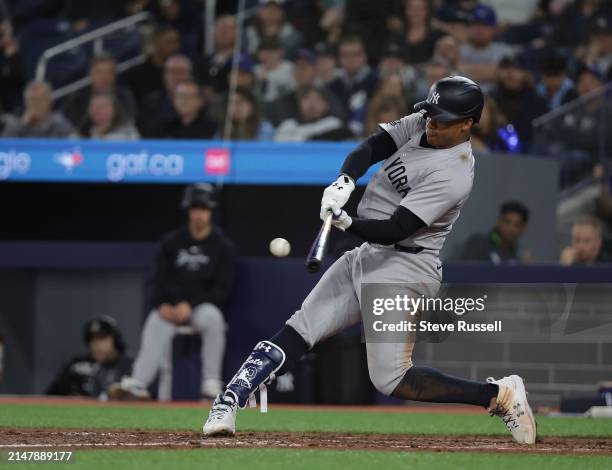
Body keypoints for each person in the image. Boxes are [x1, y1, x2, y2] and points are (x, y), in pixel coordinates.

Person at [202, 76, 537, 446]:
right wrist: (345, 180)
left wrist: (346, 221)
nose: (431, 124)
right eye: (430, 115)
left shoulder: (454, 172)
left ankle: (499, 396)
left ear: (467, 124)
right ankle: (228, 400)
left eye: (442, 120)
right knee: (301, 328)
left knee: (391, 379)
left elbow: (396, 229)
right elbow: (374, 145)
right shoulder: (425, 123)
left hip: (405, 269)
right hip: (368, 254)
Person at [110, 184, 236, 400]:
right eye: (195, 208)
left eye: (204, 208)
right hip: (171, 307)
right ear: (188, 210)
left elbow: (222, 289)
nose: (199, 213)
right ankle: (138, 383)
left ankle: (211, 383)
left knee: (214, 318)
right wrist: (163, 304)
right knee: (156, 319)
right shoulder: (171, 242)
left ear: (211, 211)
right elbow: (158, 279)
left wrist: (190, 304)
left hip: (200, 308)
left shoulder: (222, 246)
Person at [46, 316, 132, 399]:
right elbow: (47, 397)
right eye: (92, 339)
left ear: (116, 340)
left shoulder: (131, 367)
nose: (96, 344)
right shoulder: (76, 367)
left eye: (102, 338)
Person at [62, 53, 136, 127]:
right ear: (90, 74)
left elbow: (129, 120)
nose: (105, 77)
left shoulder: (124, 95)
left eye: (109, 72)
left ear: (115, 74)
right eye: (99, 72)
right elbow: (71, 126)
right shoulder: (76, 98)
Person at [490, 55, 548, 149]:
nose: (510, 72)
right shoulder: (491, 100)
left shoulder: (537, 102)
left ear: (526, 74)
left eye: (516, 68)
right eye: (505, 68)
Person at [328, 35, 379, 136]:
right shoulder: (333, 85)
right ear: (339, 59)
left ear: (364, 56)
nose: (350, 59)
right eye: (345, 55)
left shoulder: (377, 82)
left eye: (355, 54)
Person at [458, 4, 514, 92]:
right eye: (475, 24)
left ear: (494, 29)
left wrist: (462, 69)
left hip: (495, 101)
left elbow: (499, 74)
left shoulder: (505, 51)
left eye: (484, 25)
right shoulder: (458, 50)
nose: (479, 29)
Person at [122, 25, 181, 107]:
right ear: (155, 42)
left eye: (176, 42)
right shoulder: (134, 74)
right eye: (169, 42)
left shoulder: (184, 71)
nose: (174, 47)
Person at [138, 54, 193, 137]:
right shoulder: (151, 102)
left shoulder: (201, 101)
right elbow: (147, 131)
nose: (178, 77)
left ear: (190, 75)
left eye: (181, 72)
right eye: (173, 72)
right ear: (165, 76)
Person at [461, 201, 531, 264]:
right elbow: (468, 273)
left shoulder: (520, 257)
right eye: (507, 222)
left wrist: (525, 270)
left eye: (517, 225)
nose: (511, 228)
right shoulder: (479, 243)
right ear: (498, 222)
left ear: (524, 229)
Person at [274, 86, 353, 142]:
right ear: (299, 104)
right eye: (306, 99)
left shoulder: (333, 123)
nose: (311, 103)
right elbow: (278, 143)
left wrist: (307, 139)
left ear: (326, 105)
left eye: (317, 99)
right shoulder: (288, 125)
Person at [2, 81, 75, 138]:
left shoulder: (59, 123)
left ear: (49, 101)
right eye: (32, 100)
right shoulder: (16, 125)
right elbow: (4, 149)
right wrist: (23, 124)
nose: (36, 104)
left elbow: (77, 146)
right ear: (26, 102)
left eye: (40, 100)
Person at [196, 15, 236, 100]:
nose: (223, 33)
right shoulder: (203, 60)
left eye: (227, 30)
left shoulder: (243, 60)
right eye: (220, 29)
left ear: (237, 33)